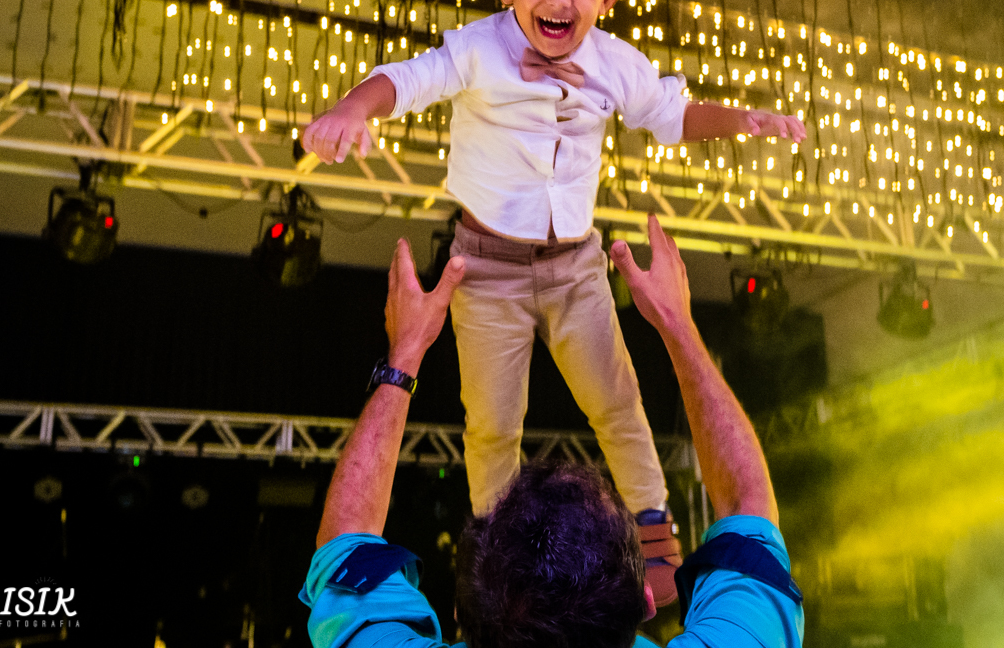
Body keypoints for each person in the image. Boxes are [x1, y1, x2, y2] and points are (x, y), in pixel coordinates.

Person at [302, 0, 806, 604]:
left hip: (575, 268)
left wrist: (743, 119)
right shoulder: (477, 49)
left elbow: (673, 113)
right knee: (492, 426)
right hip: (487, 271)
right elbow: (405, 80)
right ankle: (499, 560)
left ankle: (655, 536)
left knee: (619, 405)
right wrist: (354, 106)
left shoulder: (615, 63)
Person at [300, 214, 804, 648]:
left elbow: (347, 539)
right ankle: (647, 510)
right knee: (533, 422)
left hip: (546, 263)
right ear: (645, 600)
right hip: (513, 263)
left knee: (545, 420)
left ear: (462, 612)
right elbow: (748, 504)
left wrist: (402, 357)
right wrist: (679, 327)